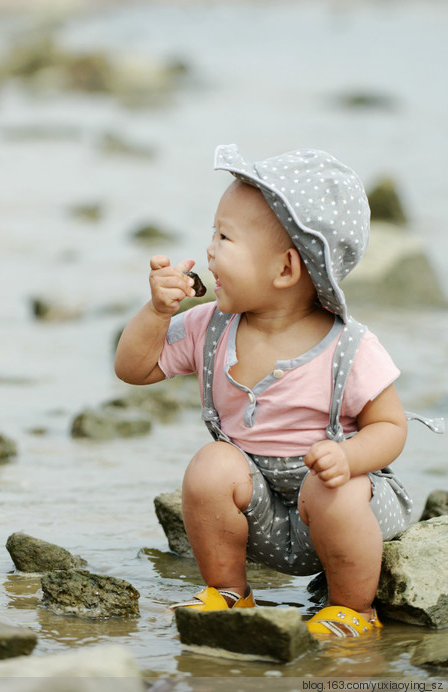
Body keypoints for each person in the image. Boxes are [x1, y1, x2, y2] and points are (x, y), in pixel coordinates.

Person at [114, 144, 414, 637]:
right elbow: (134, 369)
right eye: (214, 232)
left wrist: (351, 457)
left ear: (285, 270)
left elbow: (392, 426)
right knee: (212, 465)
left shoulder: (349, 347)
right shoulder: (211, 326)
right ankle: (230, 591)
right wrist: (156, 314)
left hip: (348, 507)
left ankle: (353, 609)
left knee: (331, 489)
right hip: (266, 512)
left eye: (225, 237)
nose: (209, 248)